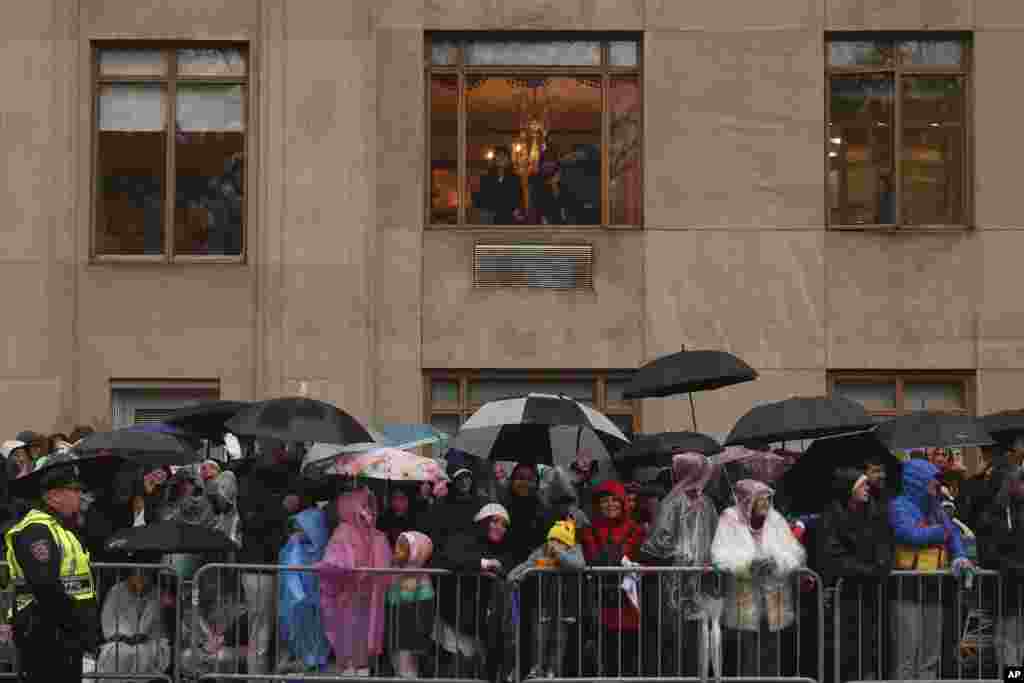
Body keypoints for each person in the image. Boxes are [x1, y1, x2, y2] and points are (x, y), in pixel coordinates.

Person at [5, 463, 100, 682]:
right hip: (44, 629)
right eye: (75, 490)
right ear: (54, 496)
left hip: (64, 630)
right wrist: (73, 621)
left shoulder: (61, 527)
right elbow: (45, 585)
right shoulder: (36, 529)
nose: (80, 496)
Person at [711, 479, 807, 679]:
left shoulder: (775, 519)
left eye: (768, 499)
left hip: (775, 598)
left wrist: (776, 562)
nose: (766, 503)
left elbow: (795, 554)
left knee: (772, 658)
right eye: (761, 498)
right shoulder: (729, 519)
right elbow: (719, 557)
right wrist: (748, 565)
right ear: (747, 500)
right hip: (743, 599)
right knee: (745, 658)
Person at [889, 458, 975, 680]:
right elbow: (907, 534)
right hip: (906, 589)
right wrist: (939, 532)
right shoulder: (899, 505)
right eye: (932, 481)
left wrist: (961, 557)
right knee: (907, 654)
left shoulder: (935, 506)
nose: (936, 485)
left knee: (930, 653)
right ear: (918, 481)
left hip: (932, 587)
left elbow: (953, 535)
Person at [638, 452, 719, 678]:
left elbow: (656, 545)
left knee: (676, 637)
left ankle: (680, 676)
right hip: (696, 579)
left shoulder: (673, 501)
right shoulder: (706, 503)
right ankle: (695, 675)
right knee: (694, 635)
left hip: (674, 580)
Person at [817, 468, 893, 681]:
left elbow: (884, 543)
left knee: (871, 647)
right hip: (844, 596)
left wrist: (882, 563)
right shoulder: (831, 516)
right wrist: (868, 570)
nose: (868, 487)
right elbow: (832, 556)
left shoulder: (874, 512)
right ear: (849, 489)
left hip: (871, 594)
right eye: (862, 484)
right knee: (846, 649)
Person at [433, 503, 514, 680]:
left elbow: (509, 568)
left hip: (483, 622)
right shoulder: (463, 538)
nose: (500, 527)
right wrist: (484, 563)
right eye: (495, 521)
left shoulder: (503, 548)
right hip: (456, 618)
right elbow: (449, 558)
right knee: (459, 669)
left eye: (504, 524)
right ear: (483, 522)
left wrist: (498, 567)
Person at [318, 486, 393, 676]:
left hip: (368, 599)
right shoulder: (342, 532)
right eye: (364, 505)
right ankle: (350, 667)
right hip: (347, 599)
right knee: (348, 639)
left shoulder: (376, 536)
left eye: (370, 506)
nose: (368, 510)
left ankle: (362, 667)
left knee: (365, 640)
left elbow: (384, 569)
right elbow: (333, 563)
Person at [580, 480, 646, 677]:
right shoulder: (590, 530)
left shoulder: (636, 529)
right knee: (606, 657)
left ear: (623, 502)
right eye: (605, 501)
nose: (610, 505)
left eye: (615, 500)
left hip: (629, 604)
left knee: (629, 657)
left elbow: (642, 558)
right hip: (602, 603)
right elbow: (593, 556)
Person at [508, 518, 586, 679]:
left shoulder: (574, 549)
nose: (554, 544)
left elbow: (579, 565)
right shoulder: (541, 550)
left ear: (568, 542)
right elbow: (527, 564)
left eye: (559, 541)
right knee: (539, 636)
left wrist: (559, 554)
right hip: (542, 602)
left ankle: (553, 670)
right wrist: (513, 576)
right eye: (552, 539)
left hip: (564, 604)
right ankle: (537, 667)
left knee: (559, 638)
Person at [974, 466, 1024, 667]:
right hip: (1004, 589)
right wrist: (1017, 568)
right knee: (1009, 642)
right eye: (1021, 482)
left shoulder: (1019, 511)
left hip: (1017, 587)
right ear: (1009, 484)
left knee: (1018, 642)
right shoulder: (991, 514)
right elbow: (988, 555)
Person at [277, 506, 331, 675]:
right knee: (299, 631)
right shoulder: (294, 546)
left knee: (317, 631)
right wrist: (299, 597)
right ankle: (304, 661)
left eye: (302, 528)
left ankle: (314, 662)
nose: (298, 532)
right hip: (298, 603)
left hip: (317, 603)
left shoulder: (324, 549)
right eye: (297, 528)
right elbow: (290, 575)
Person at [94, 569, 172, 683]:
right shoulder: (117, 591)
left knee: (143, 653)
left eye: (145, 575)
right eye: (137, 575)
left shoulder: (158, 593)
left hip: (150, 642)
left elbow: (159, 626)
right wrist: (123, 635)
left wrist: (143, 635)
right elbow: (108, 619)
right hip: (120, 640)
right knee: (116, 653)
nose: (141, 578)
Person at [386, 531, 436, 679]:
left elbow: (405, 597)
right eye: (398, 547)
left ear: (414, 552)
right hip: (400, 628)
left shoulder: (413, 575)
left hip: (407, 632)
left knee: (406, 669)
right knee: (401, 665)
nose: (397, 551)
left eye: (403, 548)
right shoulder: (404, 571)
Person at [476, 146, 521, 225]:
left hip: (508, 216)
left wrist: (517, 210)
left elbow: (517, 197)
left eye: (504, 156)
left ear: (508, 160)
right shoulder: (486, 177)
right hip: (490, 216)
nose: (501, 158)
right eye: (499, 156)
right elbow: (482, 197)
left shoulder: (515, 178)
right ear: (495, 159)